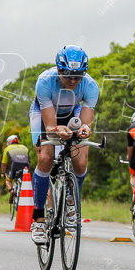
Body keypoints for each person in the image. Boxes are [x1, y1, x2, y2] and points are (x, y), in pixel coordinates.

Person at [28, 45, 98, 246]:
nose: (74, 81)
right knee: (46, 157)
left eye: (79, 76)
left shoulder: (91, 86)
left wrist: (85, 129)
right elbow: (50, 126)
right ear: (58, 70)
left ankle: (70, 200)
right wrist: (56, 130)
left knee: (80, 161)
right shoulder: (44, 82)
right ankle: (38, 219)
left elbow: (85, 122)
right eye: (69, 76)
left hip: (71, 114)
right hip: (44, 115)